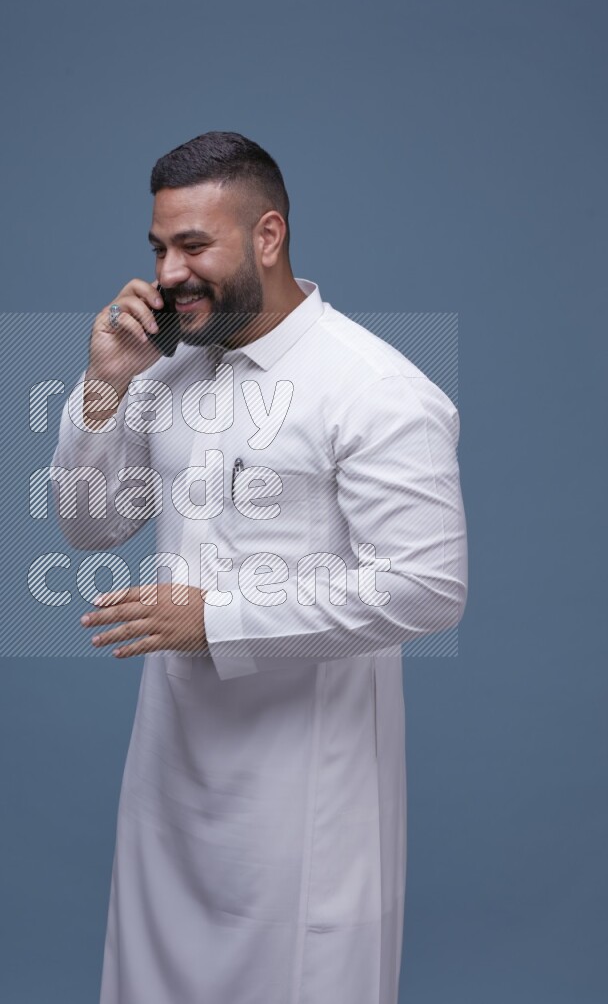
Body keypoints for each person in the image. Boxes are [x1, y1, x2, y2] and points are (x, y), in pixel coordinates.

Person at [50, 131, 467, 1004]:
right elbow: (90, 526)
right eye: (160, 248)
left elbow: (428, 587)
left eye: (195, 245)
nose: (169, 274)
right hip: (168, 785)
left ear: (268, 237)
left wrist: (216, 618)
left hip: (303, 802)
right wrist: (104, 385)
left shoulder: (374, 388)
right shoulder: (165, 374)